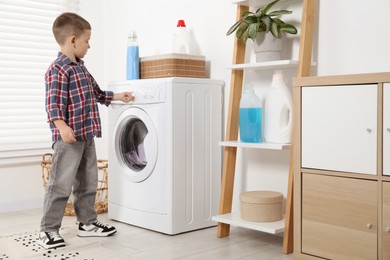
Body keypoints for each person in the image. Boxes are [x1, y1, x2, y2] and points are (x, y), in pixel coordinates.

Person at [39, 12, 134, 250]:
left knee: (87, 183)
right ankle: (48, 229)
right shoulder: (58, 69)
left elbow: (97, 93)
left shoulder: (81, 68)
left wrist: (118, 97)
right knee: (60, 184)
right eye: (87, 40)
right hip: (68, 139)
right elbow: (53, 104)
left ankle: (87, 223)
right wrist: (61, 126)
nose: (89, 45)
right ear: (73, 40)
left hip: (87, 135)